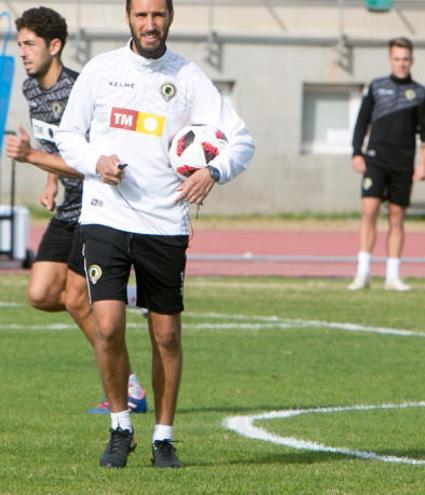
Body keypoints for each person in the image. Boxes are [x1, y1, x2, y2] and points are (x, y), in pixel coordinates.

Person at [56, 0, 255, 469]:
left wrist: (213, 171)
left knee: (165, 335)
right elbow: (69, 135)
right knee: (107, 324)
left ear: (170, 18)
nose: (150, 24)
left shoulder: (187, 77)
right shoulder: (102, 70)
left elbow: (241, 139)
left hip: (164, 223)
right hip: (106, 214)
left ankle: (163, 437)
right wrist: (95, 163)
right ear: (128, 18)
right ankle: (120, 427)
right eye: (141, 15)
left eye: (158, 15)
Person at [6, 6, 148, 416]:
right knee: (40, 294)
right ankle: (119, 296)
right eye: (20, 45)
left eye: (30, 45)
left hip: (94, 208)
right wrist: (49, 181)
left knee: (73, 298)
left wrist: (32, 157)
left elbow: (90, 160)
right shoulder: (31, 88)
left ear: (55, 46)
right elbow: (55, 147)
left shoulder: (77, 90)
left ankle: (130, 389)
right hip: (66, 208)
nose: (24, 54)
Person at [349, 36, 425, 292]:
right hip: (375, 160)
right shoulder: (376, 87)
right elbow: (361, 123)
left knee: (397, 218)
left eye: (406, 59)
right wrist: (356, 153)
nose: (401, 63)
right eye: (397, 59)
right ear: (390, 60)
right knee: (369, 213)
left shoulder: (419, 93)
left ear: (412, 60)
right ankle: (362, 273)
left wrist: (423, 165)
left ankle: (392, 276)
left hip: (403, 164)